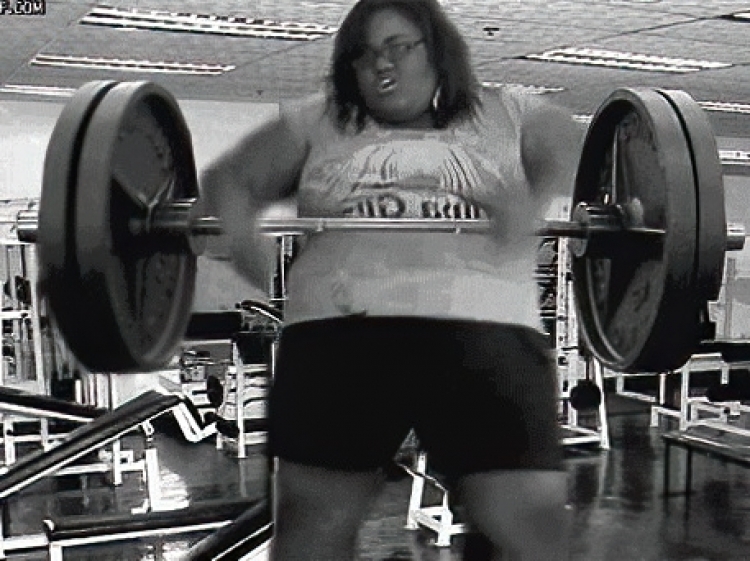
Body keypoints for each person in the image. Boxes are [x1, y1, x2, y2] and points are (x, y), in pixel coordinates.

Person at [201, 0, 586, 558]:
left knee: (528, 535)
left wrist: (534, 199)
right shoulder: (318, 119)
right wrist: (242, 237)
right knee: (310, 537)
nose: (381, 63)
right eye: (363, 54)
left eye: (399, 47)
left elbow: (568, 141)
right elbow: (231, 180)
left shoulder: (506, 110)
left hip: (485, 331)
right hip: (341, 332)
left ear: (437, 51)